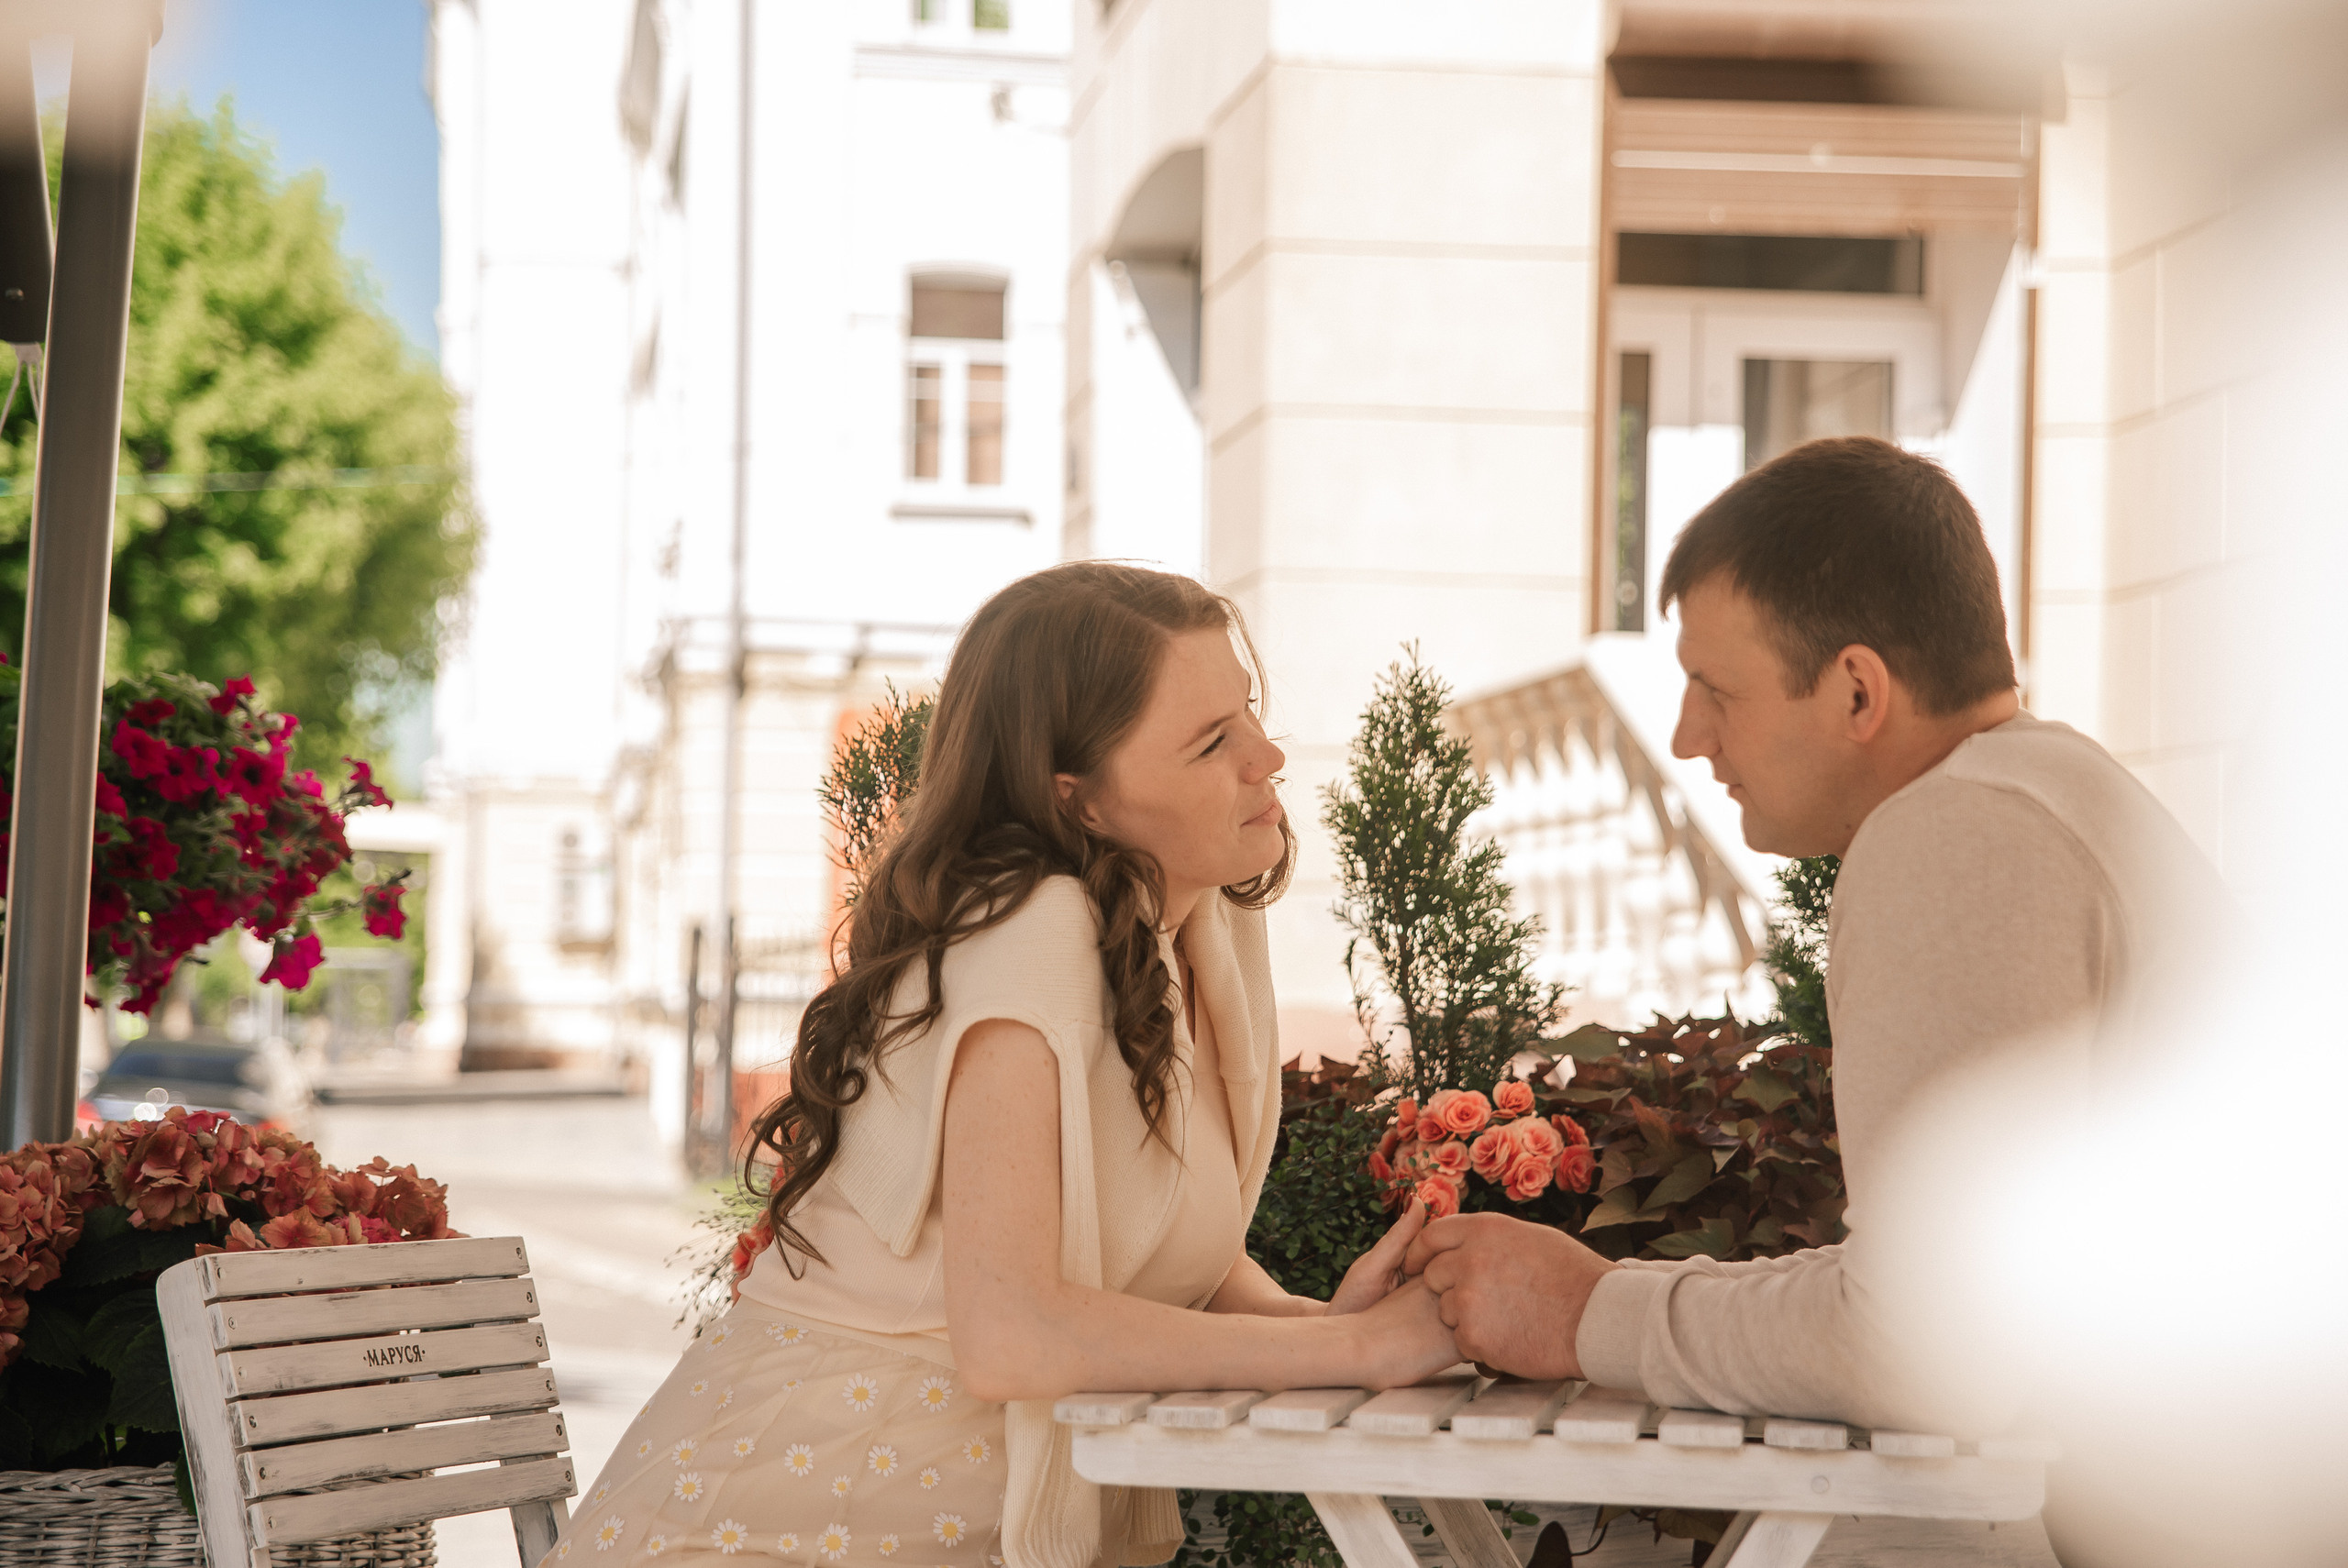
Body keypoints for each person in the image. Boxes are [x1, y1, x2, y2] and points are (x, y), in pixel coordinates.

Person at [549, 564, 1456, 1568]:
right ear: (1079, 799)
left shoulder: (1200, 921)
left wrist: (1308, 1321)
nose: (1268, 754)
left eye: (1246, 714)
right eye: (1210, 742)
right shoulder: (1033, 935)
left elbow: (1135, 1217)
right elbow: (1012, 1331)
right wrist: (1344, 1352)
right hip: (800, 1519)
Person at [1403, 436, 2231, 1452]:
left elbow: (1928, 1348)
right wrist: (1610, 1297)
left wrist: (1586, 1317)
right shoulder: (2035, 791)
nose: (1685, 735)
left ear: (1855, 692)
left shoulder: (1957, 834)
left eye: (1718, 689)